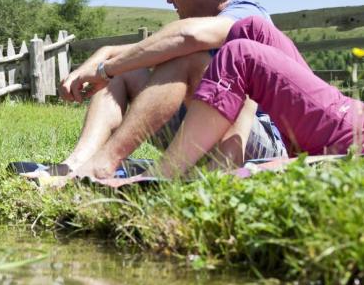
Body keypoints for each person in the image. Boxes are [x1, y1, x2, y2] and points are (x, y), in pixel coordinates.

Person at [58, 0, 286, 178]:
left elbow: (188, 36)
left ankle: (106, 163)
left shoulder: (249, 15)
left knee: (189, 59)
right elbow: (144, 51)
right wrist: (105, 54)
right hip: (200, 133)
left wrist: (104, 69)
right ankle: (76, 163)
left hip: (253, 142)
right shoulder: (197, 32)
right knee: (126, 71)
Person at [153, 16, 364, 178]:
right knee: (252, 29)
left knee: (240, 56)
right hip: (349, 114)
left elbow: (191, 37)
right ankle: (228, 157)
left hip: (351, 130)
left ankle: (161, 176)